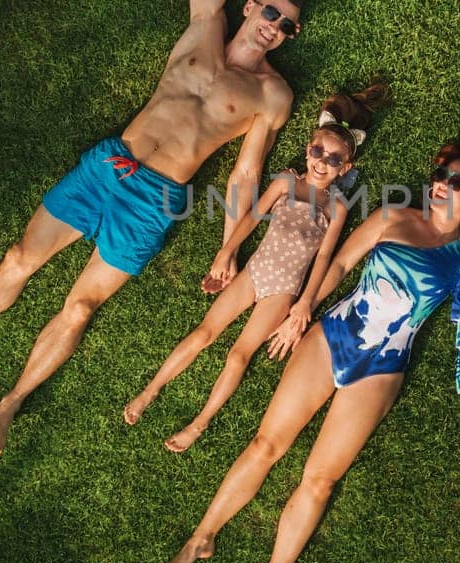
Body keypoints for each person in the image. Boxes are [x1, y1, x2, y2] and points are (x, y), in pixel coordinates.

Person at [0, 0, 299, 458]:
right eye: (269, 13)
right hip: (108, 167)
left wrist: (229, 248)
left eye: (286, 26)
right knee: (19, 258)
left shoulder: (272, 94)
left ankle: (10, 402)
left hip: (156, 202)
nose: (274, 28)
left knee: (80, 308)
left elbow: (247, 173)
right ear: (250, 5)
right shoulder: (204, 28)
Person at [157, 142, 460, 563]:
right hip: (334, 335)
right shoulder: (390, 216)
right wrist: (302, 311)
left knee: (319, 481)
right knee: (266, 444)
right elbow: (337, 266)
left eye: (458, 181)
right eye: (443, 172)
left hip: (383, 368)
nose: (443, 181)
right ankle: (202, 537)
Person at [123, 86, 388, 451]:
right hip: (254, 272)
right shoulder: (285, 182)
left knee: (238, 355)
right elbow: (250, 219)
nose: (321, 161)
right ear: (309, 148)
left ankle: (199, 424)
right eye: (317, 151)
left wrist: (303, 305)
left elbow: (325, 259)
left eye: (332, 159)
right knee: (203, 333)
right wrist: (226, 252)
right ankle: (150, 390)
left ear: (345, 168)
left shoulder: (337, 207)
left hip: (283, 290)